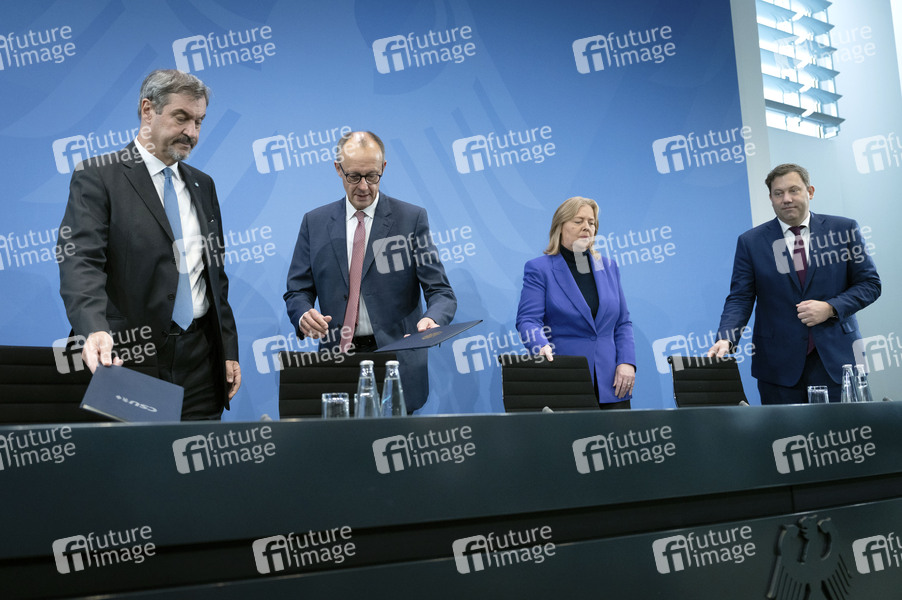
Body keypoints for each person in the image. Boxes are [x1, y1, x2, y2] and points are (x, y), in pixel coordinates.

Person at [58, 69, 241, 420]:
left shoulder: (203, 185)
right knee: (135, 456)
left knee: (196, 453)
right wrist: (94, 328)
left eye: (199, 121)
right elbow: (80, 262)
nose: (192, 132)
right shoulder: (98, 175)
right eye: (181, 117)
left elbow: (214, 279)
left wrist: (228, 350)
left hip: (201, 362)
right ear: (147, 110)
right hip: (127, 357)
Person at [284, 131, 456, 412]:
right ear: (338, 169)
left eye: (372, 176)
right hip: (336, 360)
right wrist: (304, 315)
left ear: (383, 168)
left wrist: (432, 319)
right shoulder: (314, 223)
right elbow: (297, 291)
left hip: (397, 360)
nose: (364, 186)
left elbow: (441, 292)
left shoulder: (411, 219)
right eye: (354, 176)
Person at [708, 163, 881, 404]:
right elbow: (740, 297)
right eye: (778, 193)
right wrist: (726, 338)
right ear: (771, 198)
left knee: (843, 429)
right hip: (777, 368)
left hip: (838, 361)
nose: (786, 199)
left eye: (794, 190)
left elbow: (870, 284)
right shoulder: (751, 242)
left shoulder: (844, 230)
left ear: (810, 191)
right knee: (783, 430)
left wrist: (831, 308)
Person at [516, 197, 636, 408]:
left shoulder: (609, 267)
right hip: (565, 378)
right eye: (578, 221)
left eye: (591, 222)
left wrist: (627, 361)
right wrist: (540, 345)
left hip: (612, 383)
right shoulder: (540, 269)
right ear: (560, 226)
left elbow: (622, 323)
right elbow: (528, 320)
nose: (586, 227)